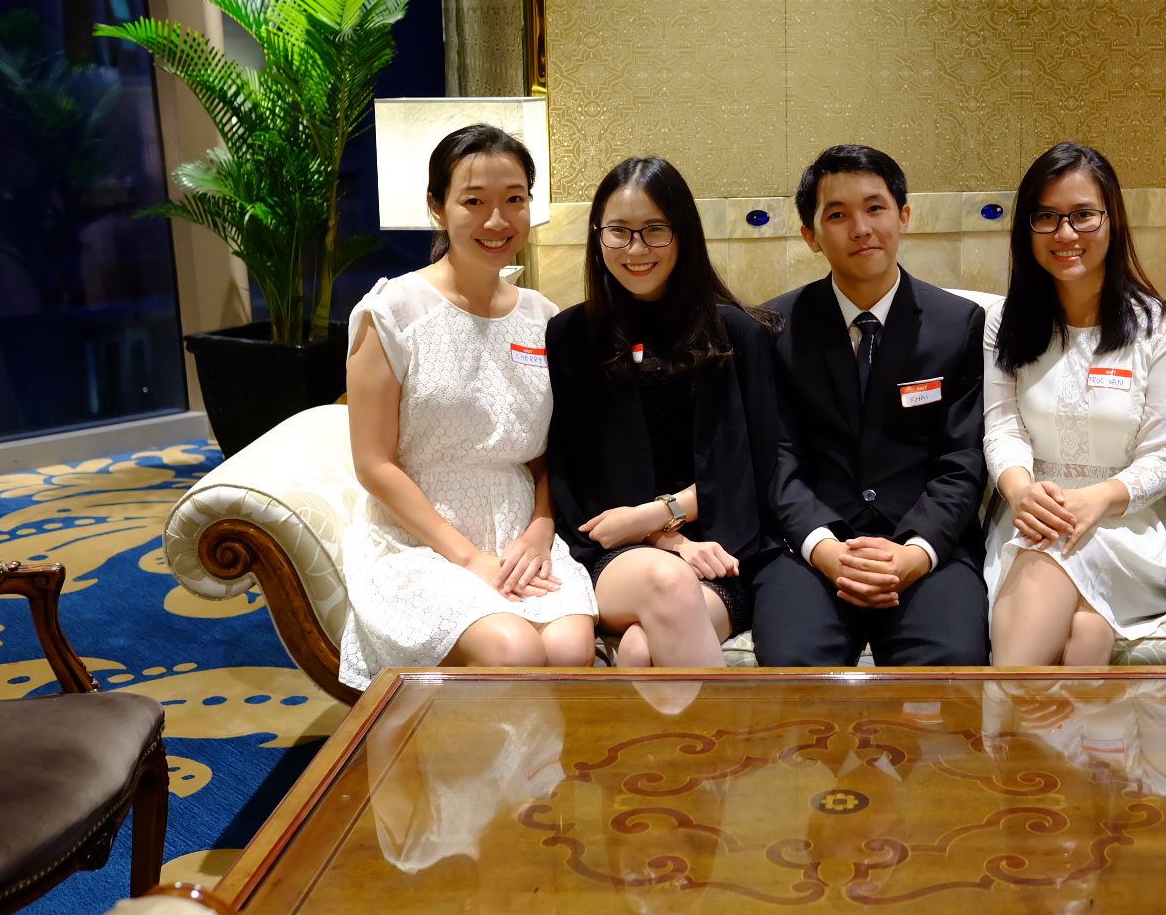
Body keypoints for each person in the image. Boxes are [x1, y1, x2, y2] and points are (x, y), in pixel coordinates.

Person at [339, 124, 596, 690]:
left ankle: (545, 780)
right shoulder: (392, 311)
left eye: (514, 200)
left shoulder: (542, 315)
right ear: (437, 207)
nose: (497, 221)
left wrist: (542, 524)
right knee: (516, 651)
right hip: (420, 537)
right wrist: (467, 558)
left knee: (571, 648)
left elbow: (553, 448)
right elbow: (373, 463)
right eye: (474, 202)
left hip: (520, 531)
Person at [752, 144, 989, 666]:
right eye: (837, 215)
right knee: (794, 668)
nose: (860, 228)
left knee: (949, 669)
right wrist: (826, 550)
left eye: (875, 208)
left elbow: (962, 461)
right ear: (811, 237)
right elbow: (777, 460)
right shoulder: (773, 328)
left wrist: (914, 552)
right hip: (811, 549)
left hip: (924, 547)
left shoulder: (957, 325)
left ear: (903, 216)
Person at [544, 157, 779, 667]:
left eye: (654, 231)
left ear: (684, 234)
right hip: (616, 551)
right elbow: (575, 473)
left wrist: (663, 515)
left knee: (639, 651)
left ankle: (670, 750)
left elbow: (753, 467)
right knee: (665, 580)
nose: (636, 250)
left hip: (721, 547)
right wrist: (663, 539)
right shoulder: (569, 336)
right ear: (596, 236)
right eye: (620, 232)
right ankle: (731, 748)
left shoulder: (738, 336)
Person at [983, 142, 1166, 666]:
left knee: (1054, 561)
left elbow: (1164, 458)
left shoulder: (1165, 329)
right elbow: (1002, 428)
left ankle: (999, 735)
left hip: (1125, 525)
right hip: (1029, 516)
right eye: (1047, 217)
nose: (1065, 234)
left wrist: (1095, 500)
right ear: (1026, 228)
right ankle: (1050, 745)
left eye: (1083, 215)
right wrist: (1020, 492)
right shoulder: (1004, 322)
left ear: (1113, 219)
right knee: (1085, 634)